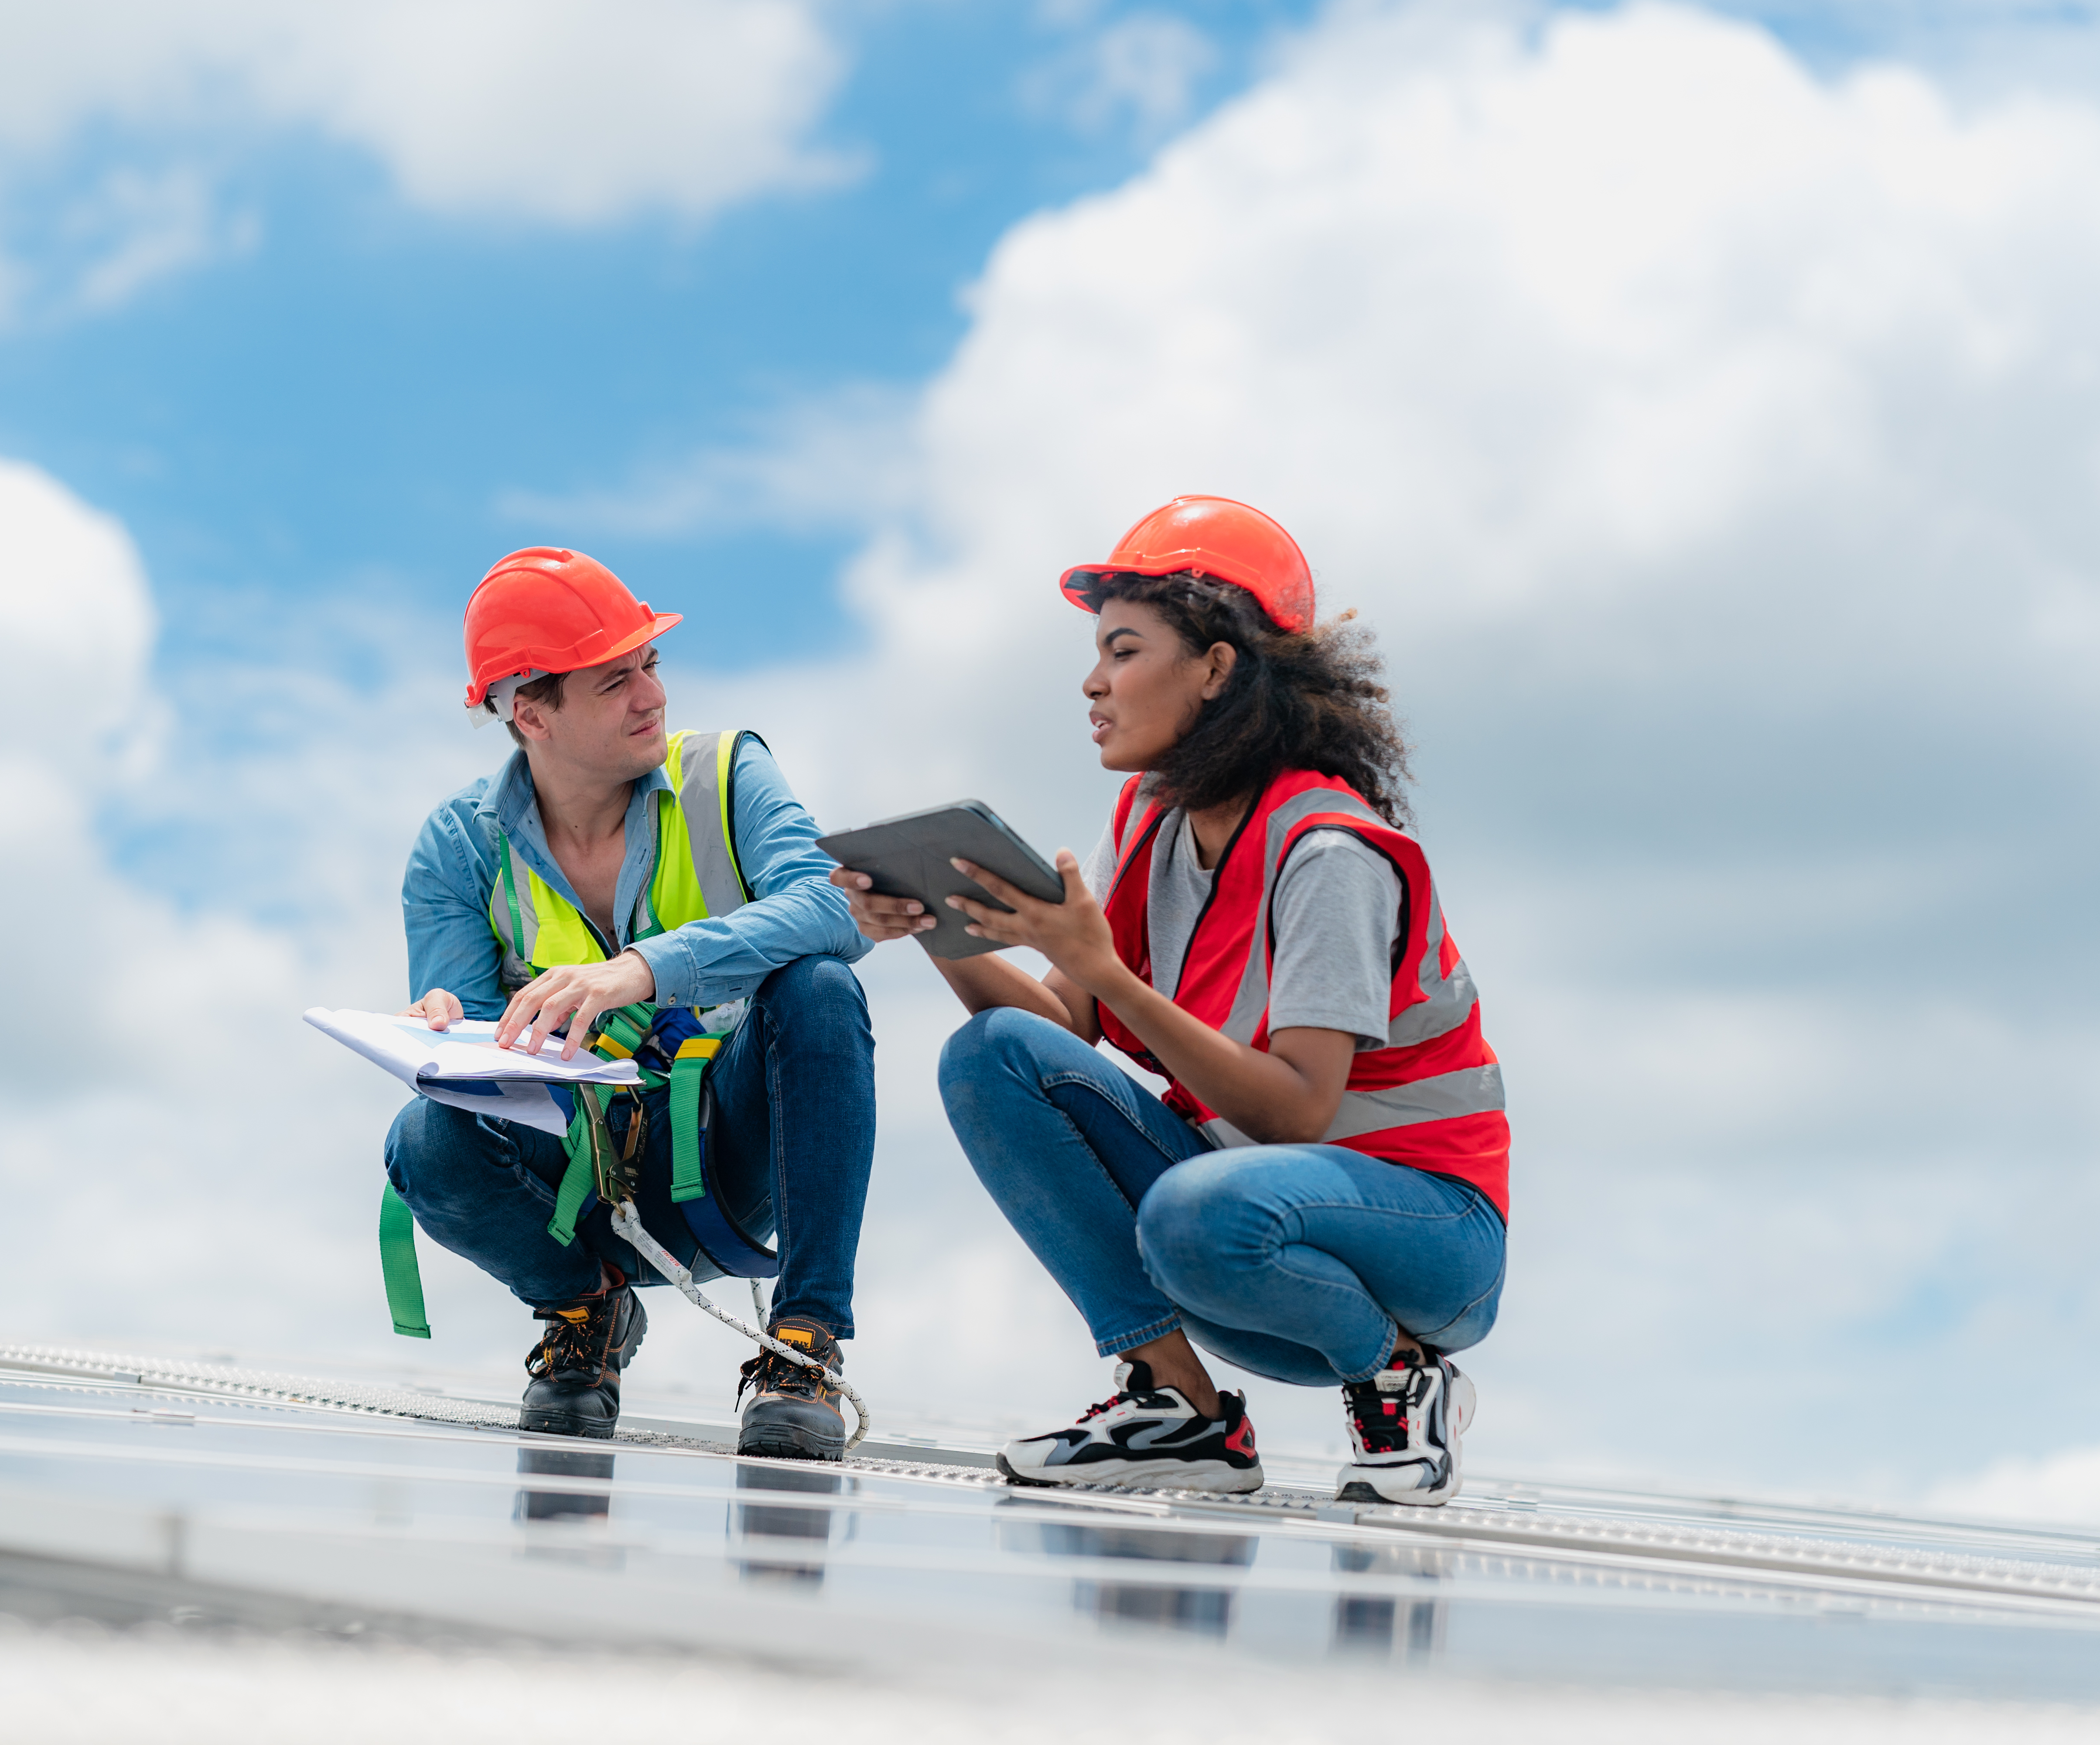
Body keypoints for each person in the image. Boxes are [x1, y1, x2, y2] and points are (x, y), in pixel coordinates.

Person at [833, 497, 1508, 1505]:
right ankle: (1176, 1402)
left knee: (1198, 1207)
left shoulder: (1328, 851)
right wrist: (934, 922)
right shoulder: (1154, 816)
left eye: (1123, 648)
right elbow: (1057, 1032)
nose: (1092, 681)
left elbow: (1295, 1111)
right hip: (1236, 1230)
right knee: (991, 1054)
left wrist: (1104, 969)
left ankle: (1400, 1375)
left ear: (1216, 667)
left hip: (1421, 1240)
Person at [388, 547, 878, 1460]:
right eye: (616, 680)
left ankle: (804, 1347)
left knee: (819, 985)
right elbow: (487, 1075)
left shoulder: (727, 774)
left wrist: (644, 969)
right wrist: (449, 1028)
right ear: (530, 712)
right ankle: (585, 1314)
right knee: (427, 1131)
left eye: (651, 664)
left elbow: (834, 906)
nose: (653, 695)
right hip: (578, 1184)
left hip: (733, 1156)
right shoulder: (459, 848)